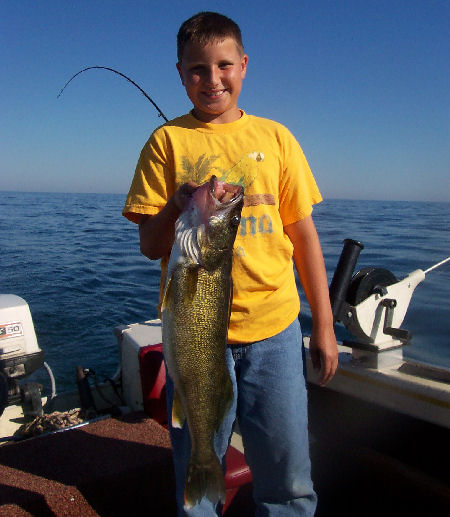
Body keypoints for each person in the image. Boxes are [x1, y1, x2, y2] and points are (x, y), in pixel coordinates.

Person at [123, 11, 338, 516]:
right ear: (180, 74)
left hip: (276, 333)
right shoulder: (165, 143)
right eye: (197, 69)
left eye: (224, 66)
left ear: (243, 66)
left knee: (288, 478)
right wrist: (178, 204)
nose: (212, 79)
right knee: (196, 469)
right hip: (197, 345)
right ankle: (200, 486)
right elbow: (151, 246)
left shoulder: (278, 138)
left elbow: (304, 237)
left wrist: (323, 325)